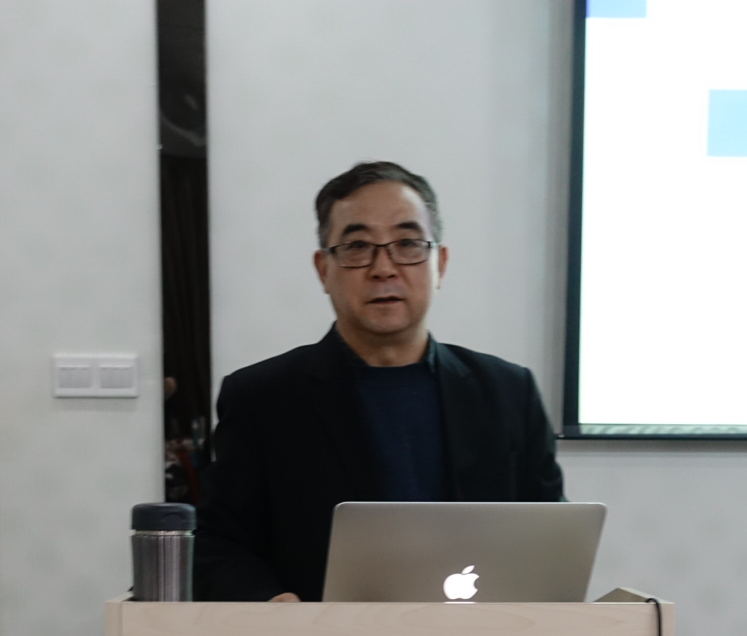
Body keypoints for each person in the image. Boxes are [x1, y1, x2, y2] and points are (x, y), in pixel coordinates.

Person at [194, 161, 564, 602]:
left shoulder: (509, 393)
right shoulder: (262, 399)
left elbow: (553, 540)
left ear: (441, 264)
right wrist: (272, 603)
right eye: (357, 247)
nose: (383, 268)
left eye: (407, 244)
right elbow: (217, 543)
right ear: (323, 270)